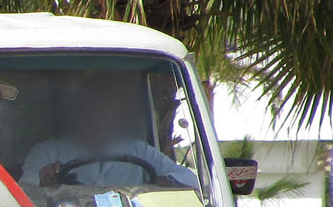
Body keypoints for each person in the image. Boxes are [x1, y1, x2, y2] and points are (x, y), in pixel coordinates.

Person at [20, 73, 199, 189]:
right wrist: (45, 183)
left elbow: (190, 179)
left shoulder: (138, 150)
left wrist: (163, 181)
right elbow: (25, 196)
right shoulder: (47, 152)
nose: (98, 116)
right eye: (90, 108)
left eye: (106, 109)